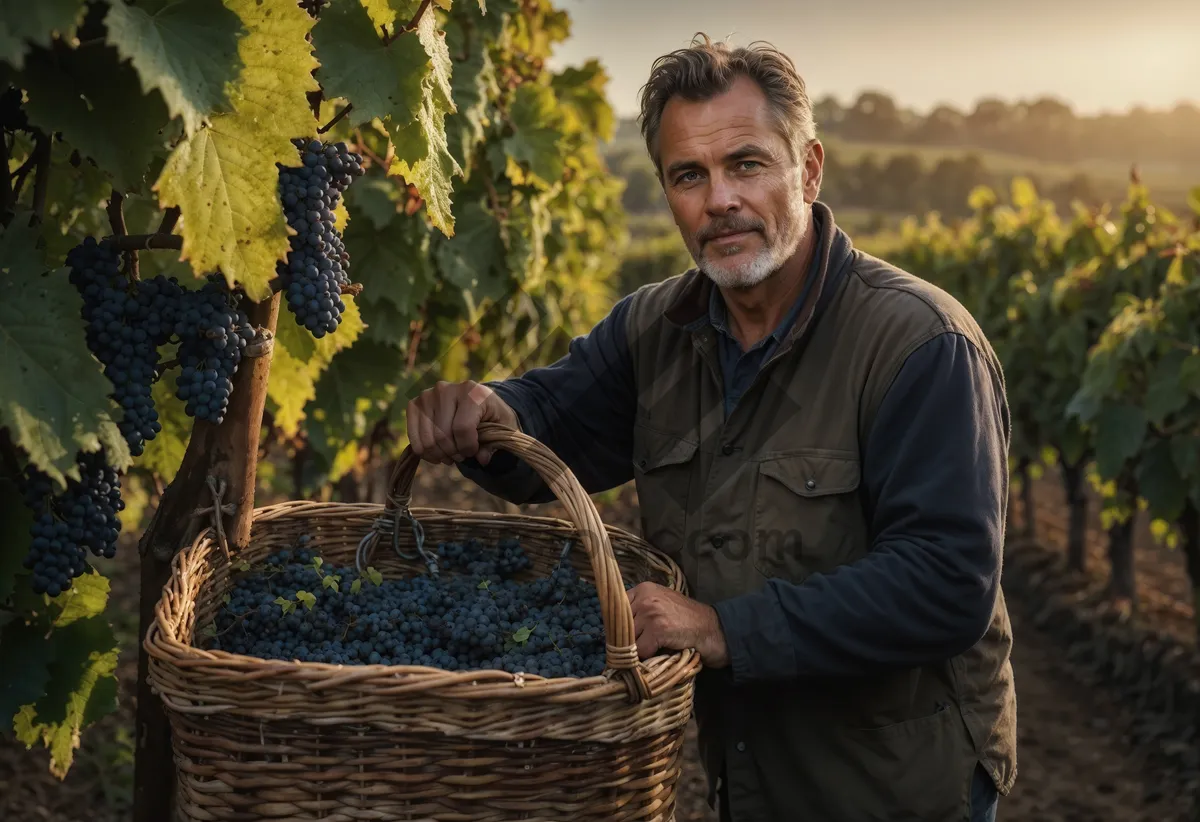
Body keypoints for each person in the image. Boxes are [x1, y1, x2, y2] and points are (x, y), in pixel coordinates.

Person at [405, 34, 1015, 822]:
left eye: (746, 165)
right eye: (688, 175)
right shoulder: (656, 327)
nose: (719, 199)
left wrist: (725, 628)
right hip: (748, 775)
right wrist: (488, 414)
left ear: (810, 169)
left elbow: (945, 583)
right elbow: (550, 421)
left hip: (895, 786)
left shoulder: (920, 344)